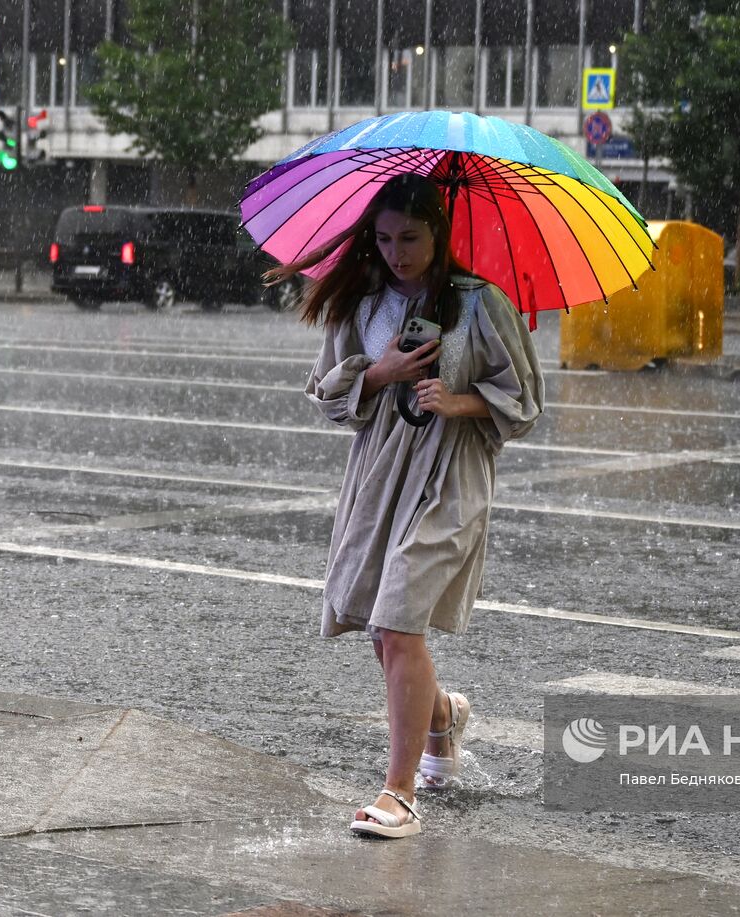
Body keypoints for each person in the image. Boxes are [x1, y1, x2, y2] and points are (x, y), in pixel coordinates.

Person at [265, 173, 543, 839]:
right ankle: (441, 715)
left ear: (439, 232)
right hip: (379, 471)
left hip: (450, 475)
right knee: (382, 625)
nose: (397, 252)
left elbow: (525, 401)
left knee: (396, 621)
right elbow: (330, 395)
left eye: (411, 237)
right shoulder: (360, 305)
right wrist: (381, 372)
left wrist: (461, 399)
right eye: (385, 238)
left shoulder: (479, 304)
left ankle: (399, 791)